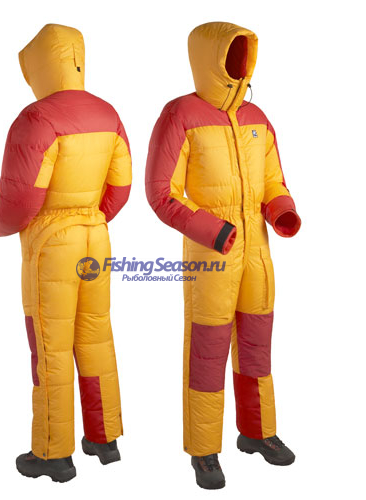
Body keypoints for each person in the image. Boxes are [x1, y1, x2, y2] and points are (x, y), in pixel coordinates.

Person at [145, 22, 301, 489]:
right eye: (231, 54)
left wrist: (281, 209)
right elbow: (161, 192)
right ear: (207, 59)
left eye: (243, 54)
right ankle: (204, 450)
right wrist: (213, 230)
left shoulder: (257, 117)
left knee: (256, 347)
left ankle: (258, 432)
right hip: (211, 251)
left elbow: (272, 179)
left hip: (258, 249)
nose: (239, 63)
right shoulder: (180, 115)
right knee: (208, 351)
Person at [0, 24, 131, 482]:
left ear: (38, 67)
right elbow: (121, 187)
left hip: (52, 246)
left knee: (50, 346)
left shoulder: (36, 119)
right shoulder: (108, 114)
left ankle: (53, 454)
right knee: (96, 336)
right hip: (96, 238)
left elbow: (21, 199)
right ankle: (104, 438)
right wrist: (92, 217)